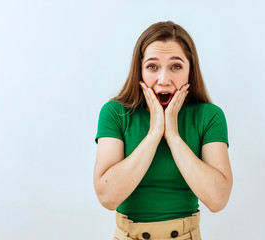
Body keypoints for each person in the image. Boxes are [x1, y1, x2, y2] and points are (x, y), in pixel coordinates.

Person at [94, 21, 233, 240]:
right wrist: (154, 133)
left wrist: (174, 136)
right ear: (139, 69)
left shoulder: (209, 116)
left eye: (176, 66)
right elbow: (107, 197)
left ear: (190, 70)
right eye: (152, 66)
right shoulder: (115, 113)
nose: (164, 79)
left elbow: (218, 200)